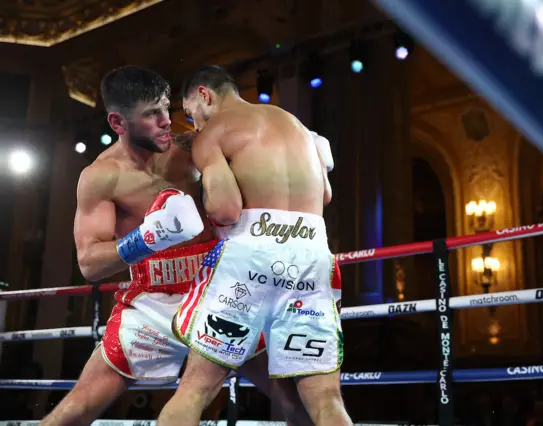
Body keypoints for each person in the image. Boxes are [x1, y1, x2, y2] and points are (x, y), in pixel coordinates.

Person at [41, 65, 313, 426]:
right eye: (151, 114)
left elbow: (264, 160)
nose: (166, 121)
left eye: (166, 108)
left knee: (296, 402)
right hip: (153, 301)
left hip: (221, 292)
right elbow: (90, 263)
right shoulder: (101, 177)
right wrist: (146, 239)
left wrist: (307, 151)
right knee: (75, 411)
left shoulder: (195, 147)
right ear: (118, 123)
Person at [157, 65, 350, 426]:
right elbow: (324, 194)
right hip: (311, 257)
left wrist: (209, 177)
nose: (193, 123)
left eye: (189, 113)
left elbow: (226, 210)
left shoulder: (213, 133)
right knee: (325, 398)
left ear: (204, 95)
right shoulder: (297, 127)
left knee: (194, 391)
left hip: (252, 256)